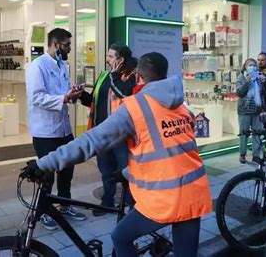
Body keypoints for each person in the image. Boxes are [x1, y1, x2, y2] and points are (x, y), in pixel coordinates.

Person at [26, 52, 213, 256]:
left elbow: (91, 141)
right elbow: (167, 151)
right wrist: (125, 173)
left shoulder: (137, 107)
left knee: (120, 238)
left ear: (138, 77)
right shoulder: (181, 106)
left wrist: (44, 163)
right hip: (194, 192)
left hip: (165, 197)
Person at [26, 28, 86, 230]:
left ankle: (65, 206)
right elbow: (37, 97)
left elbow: (63, 92)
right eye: (67, 45)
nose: (69, 48)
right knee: (47, 175)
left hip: (64, 129)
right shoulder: (37, 66)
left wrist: (73, 93)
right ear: (55, 44)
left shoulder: (63, 65)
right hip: (45, 132)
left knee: (67, 169)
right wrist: (63, 98)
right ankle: (43, 211)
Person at [79, 43, 137, 216]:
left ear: (121, 60)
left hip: (121, 136)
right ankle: (108, 201)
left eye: (111, 56)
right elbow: (92, 100)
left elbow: (123, 94)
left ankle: (132, 204)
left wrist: (114, 75)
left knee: (126, 171)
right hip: (101, 133)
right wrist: (80, 94)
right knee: (105, 170)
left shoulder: (131, 77)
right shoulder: (105, 75)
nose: (107, 59)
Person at [236, 58, 266, 164]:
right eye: (249, 65)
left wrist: (264, 82)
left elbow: (264, 93)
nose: (252, 67)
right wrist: (248, 81)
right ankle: (242, 154)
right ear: (245, 66)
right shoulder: (241, 77)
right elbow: (240, 93)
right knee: (243, 133)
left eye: (254, 65)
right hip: (244, 110)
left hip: (257, 110)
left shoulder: (259, 77)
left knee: (257, 133)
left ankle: (256, 155)